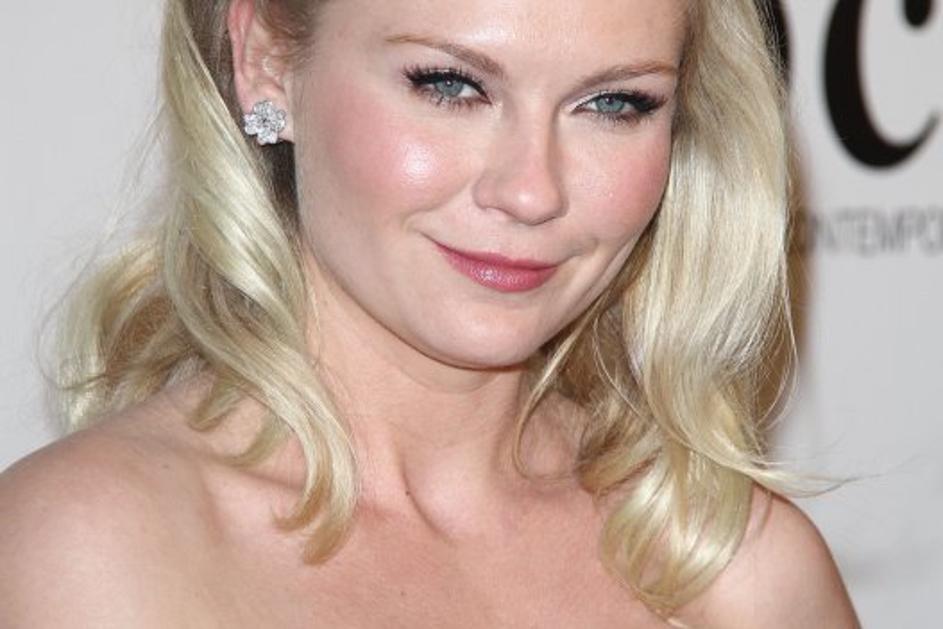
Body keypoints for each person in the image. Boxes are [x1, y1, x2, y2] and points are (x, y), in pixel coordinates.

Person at [0, 0, 860, 626]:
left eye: (613, 104)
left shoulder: (732, 569)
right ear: (265, 59)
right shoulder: (90, 549)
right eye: (450, 86)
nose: (531, 190)